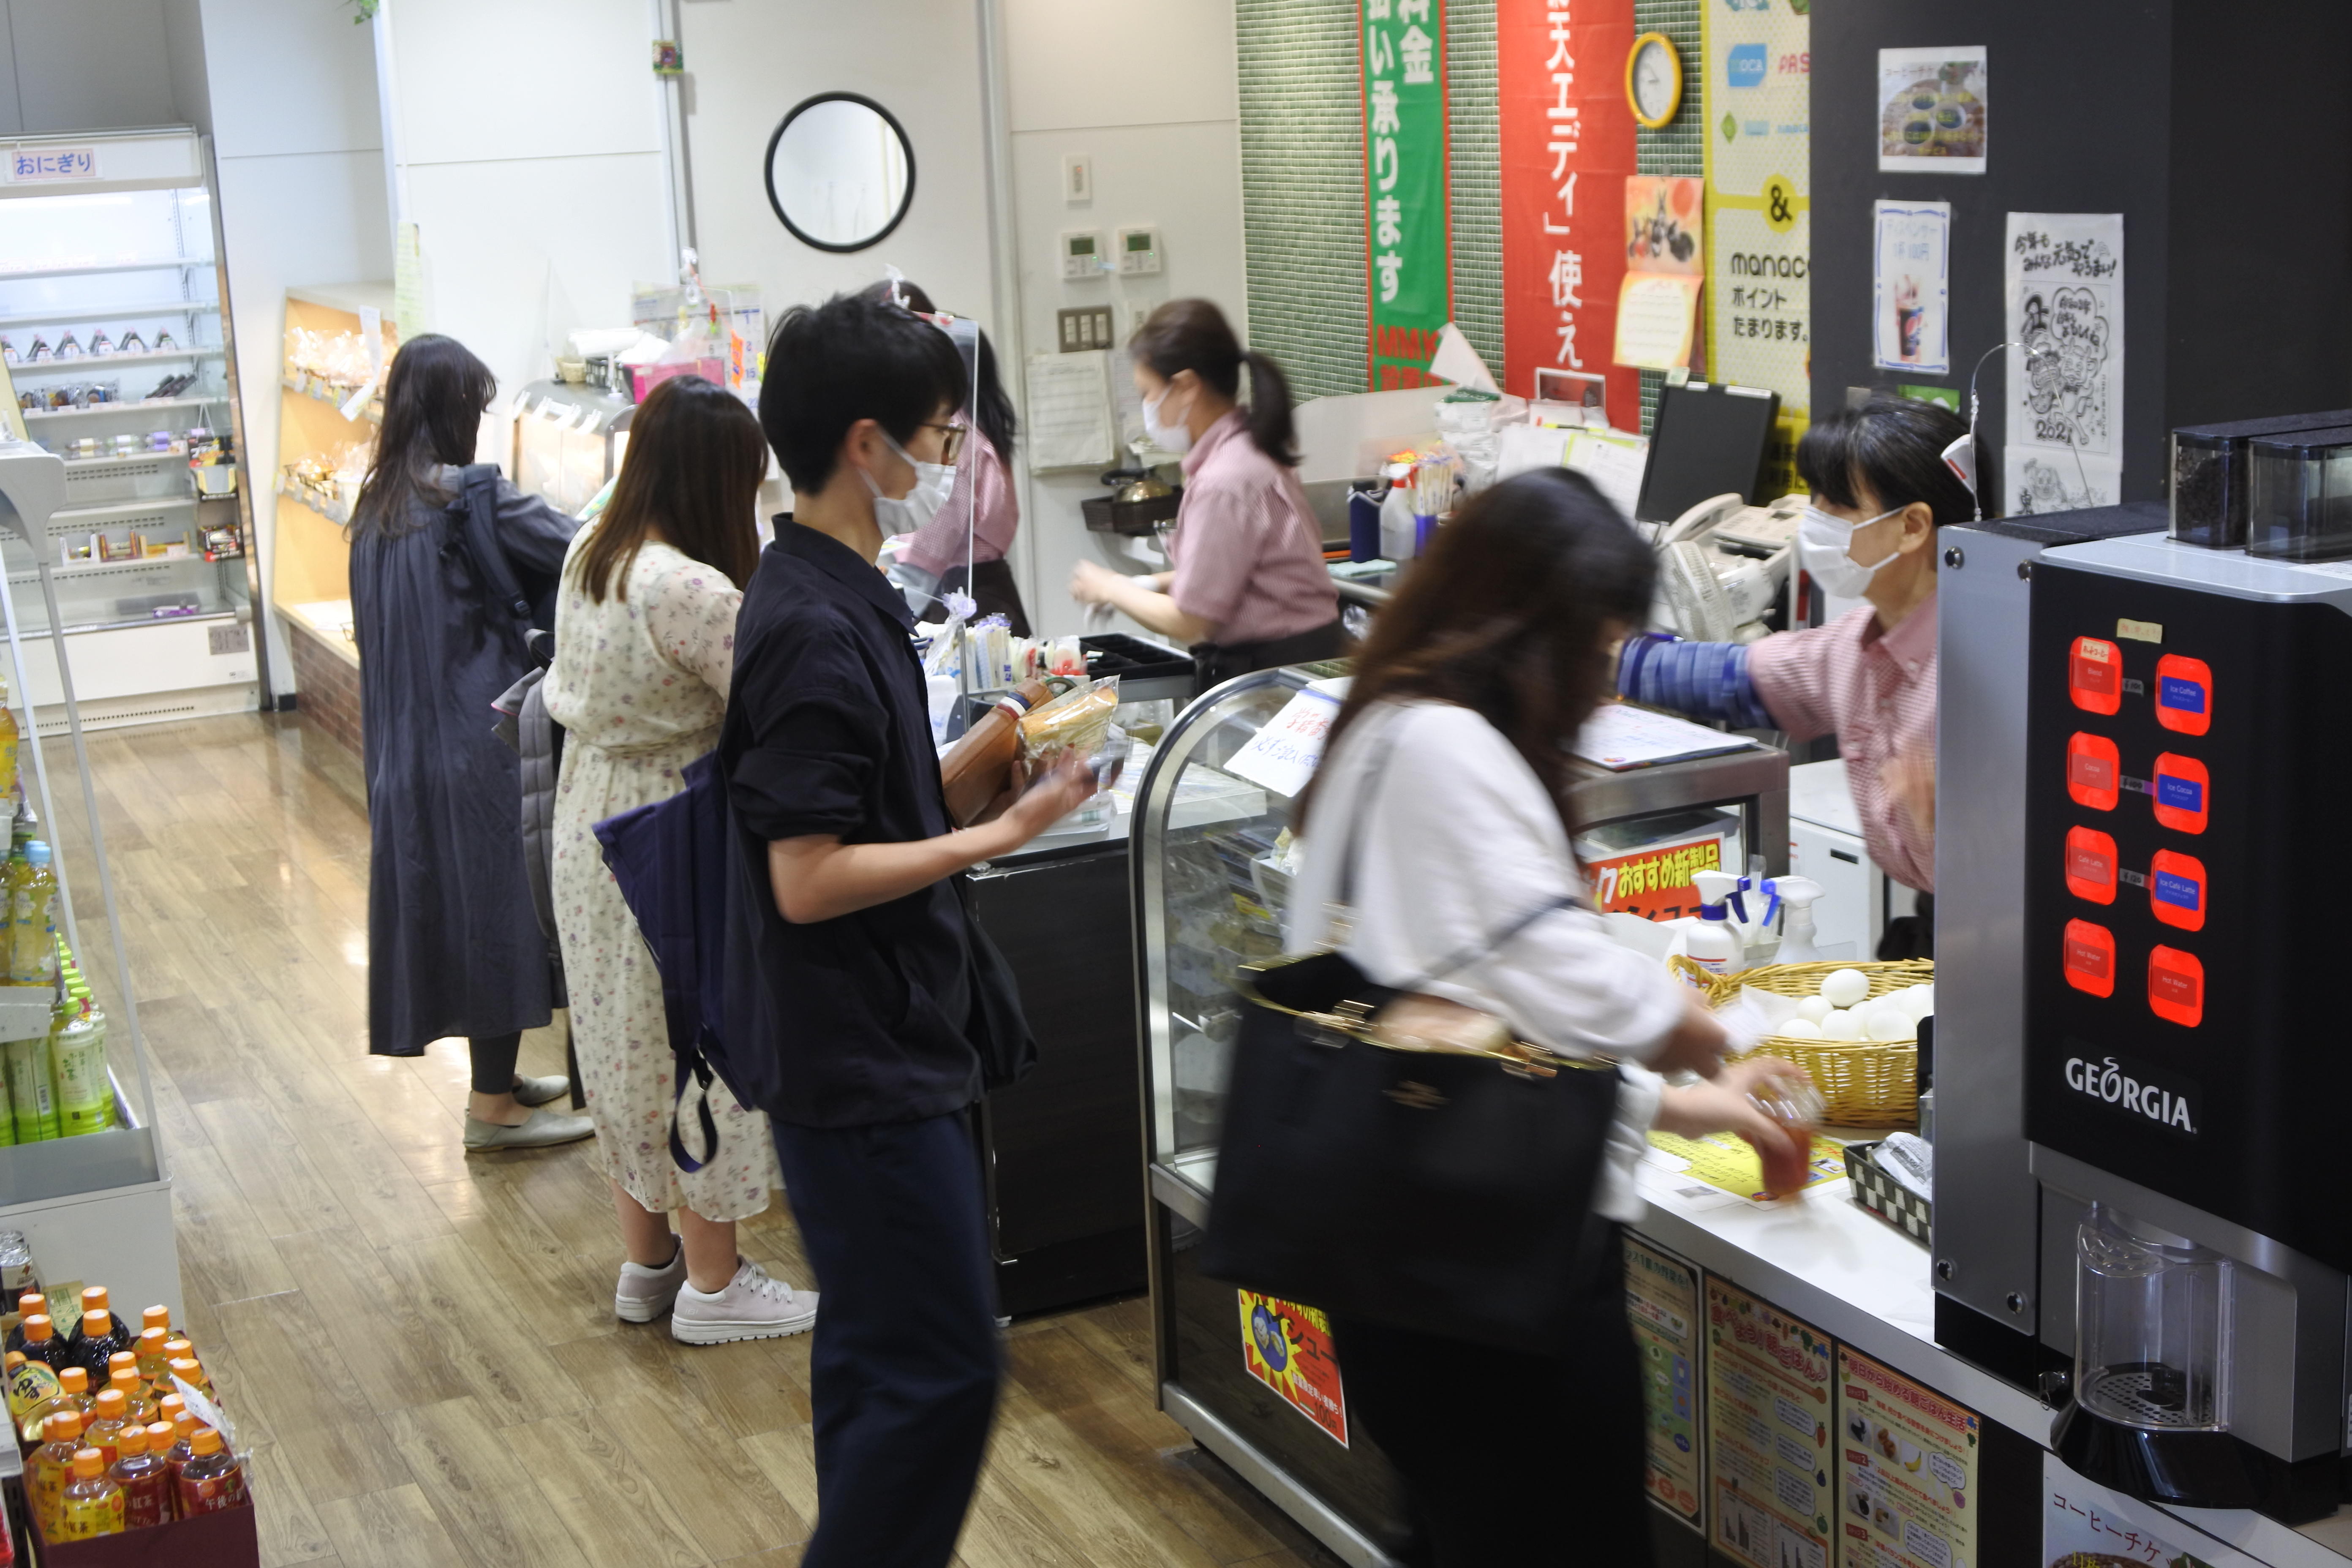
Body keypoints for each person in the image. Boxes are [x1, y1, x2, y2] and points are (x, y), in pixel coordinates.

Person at [1291, 467, 1812, 1566]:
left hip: (1394, 1262)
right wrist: (1717, 1034)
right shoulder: (1447, 748)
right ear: (1532, 632)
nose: (1600, 687)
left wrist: (1682, 1108)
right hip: (1489, 1294)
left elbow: (1475, 1031)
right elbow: (1563, 977)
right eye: (1594, 651)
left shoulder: (1382, 722)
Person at [725, 292, 1096, 1567]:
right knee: (944, 1370)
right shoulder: (811, 626)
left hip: (878, 1037)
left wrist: (999, 765)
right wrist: (990, 840)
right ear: (865, 445)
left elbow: (873, 812)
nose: (946, 464)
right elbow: (809, 876)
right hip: (860, 1058)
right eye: (939, 438)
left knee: (879, 1360)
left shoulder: (843, 589)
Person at [540, 375, 816, 1344]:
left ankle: (649, 1265)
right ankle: (717, 1283)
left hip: (589, 825)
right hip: (674, 829)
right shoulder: (685, 586)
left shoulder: (592, 549)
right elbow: (778, 690)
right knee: (704, 1048)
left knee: (624, 1053)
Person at [347, 333, 592, 1152]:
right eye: (477, 407)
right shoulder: (470, 497)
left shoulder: (376, 506)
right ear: (456, 409)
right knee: (500, 910)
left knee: (452, 910)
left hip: (401, 748)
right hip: (478, 737)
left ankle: (501, 1082)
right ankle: (493, 1110)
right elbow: (581, 550)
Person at [1618, 395, 1969, 956]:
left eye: (1837, 503)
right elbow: (1733, 677)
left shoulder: (1986, 668)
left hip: (2012, 946)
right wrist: (1604, 658)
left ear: (1912, 526)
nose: (1815, 520)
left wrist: (1953, 831)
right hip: (1928, 939)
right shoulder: (1853, 646)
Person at [1067, 299, 1342, 687]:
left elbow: (1191, 622)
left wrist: (1111, 588)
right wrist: (1146, 584)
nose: (1147, 408)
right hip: (1299, 662)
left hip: (1275, 670)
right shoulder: (1249, 447)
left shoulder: (1224, 479)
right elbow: (1229, 575)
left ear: (1186, 387)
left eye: (1148, 393)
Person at [859, 278, 1031, 634]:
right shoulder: (946, 424)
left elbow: (925, 557)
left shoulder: (952, 433)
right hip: (950, 596)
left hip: (963, 606)